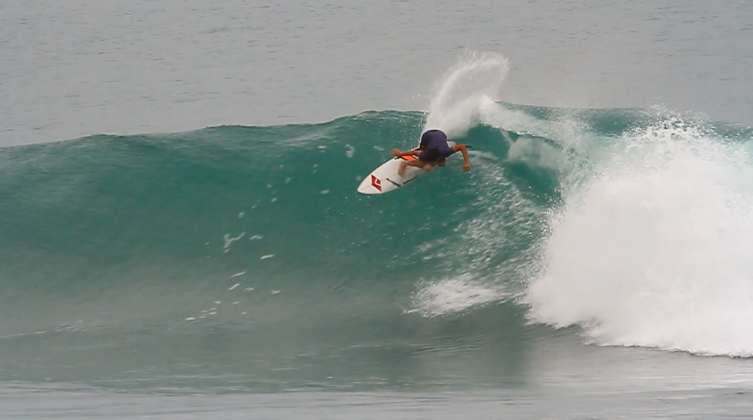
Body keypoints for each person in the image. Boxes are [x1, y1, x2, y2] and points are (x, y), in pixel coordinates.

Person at [390, 129, 470, 176]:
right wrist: (400, 154)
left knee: (441, 164)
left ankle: (428, 164)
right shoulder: (425, 154)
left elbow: (462, 146)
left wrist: (466, 162)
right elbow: (413, 152)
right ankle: (405, 163)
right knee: (423, 162)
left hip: (440, 134)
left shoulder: (445, 152)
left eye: (431, 162)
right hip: (427, 137)